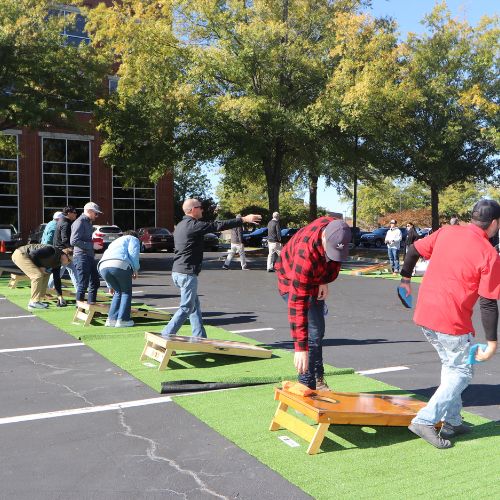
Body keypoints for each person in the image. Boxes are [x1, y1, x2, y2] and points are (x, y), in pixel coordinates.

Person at [399, 199, 500, 449]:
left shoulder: (446, 232)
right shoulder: (489, 254)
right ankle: (425, 420)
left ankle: (452, 421)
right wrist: (492, 341)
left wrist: (404, 280)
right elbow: (488, 303)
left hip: (425, 316)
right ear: (495, 223)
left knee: (451, 366)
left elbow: (413, 250)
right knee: (462, 372)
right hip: (451, 322)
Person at [161, 199, 261, 338]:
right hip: (187, 273)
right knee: (186, 307)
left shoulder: (181, 225)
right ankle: (166, 334)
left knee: (194, 307)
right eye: (200, 207)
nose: (202, 209)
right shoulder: (193, 225)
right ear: (191, 210)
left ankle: (200, 337)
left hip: (178, 271)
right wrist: (243, 219)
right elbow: (217, 225)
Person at [275, 217, 351, 390]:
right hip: (290, 279)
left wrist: (322, 280)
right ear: (324, 237)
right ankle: (306, 384)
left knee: (318, 332)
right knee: (311, 334)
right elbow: (297, 305)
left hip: (314, 277)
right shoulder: (305, 253)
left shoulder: (338, 229)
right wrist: (300, 348)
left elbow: (330, 261)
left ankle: (317, 378)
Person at [97, 230, 140, 328]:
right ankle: (123, 320)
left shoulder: (115, 242)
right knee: (126, 292)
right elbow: (133, 253)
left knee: (117, 292)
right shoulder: (133, 239)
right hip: (119, 264)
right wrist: (135, 269)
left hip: (102, 266)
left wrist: (110, 285)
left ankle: (111, 320)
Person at [12, 244, 73, 310]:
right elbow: (33, 254)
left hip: (26, 256)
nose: (68, 263)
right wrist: (41, 266)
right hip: (20, 254)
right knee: (37, 275)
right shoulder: (52, 250)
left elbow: (57, 279)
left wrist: (60, 296)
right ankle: (33, 302)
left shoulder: (58, 263)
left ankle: (39, 300)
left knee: (46, 274)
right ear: (65, 255)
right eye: (69, 260)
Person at [70, 202, 102, 304]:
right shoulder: (80, 222)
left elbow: (82, 239)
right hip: (81, 256)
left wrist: (93, 243)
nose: (96, 216)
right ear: (89, 211)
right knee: (83, 284)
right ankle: (79, 308)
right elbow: (73, 241)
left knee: (95, 282)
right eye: (95, 213)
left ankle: (91, 306)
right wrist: (92, 245)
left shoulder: (87, 222)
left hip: (88, 256)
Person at [48, 206, 78, 291]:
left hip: (61, 251)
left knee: (73, 270)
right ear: (69, 213)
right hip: (63, 252)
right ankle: (47, 289)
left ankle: (79, 291)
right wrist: (72, 250)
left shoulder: (61, 221)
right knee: (59, 272)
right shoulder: (66, 223)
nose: (76, 214)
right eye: (74, 212)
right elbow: (65, 239)